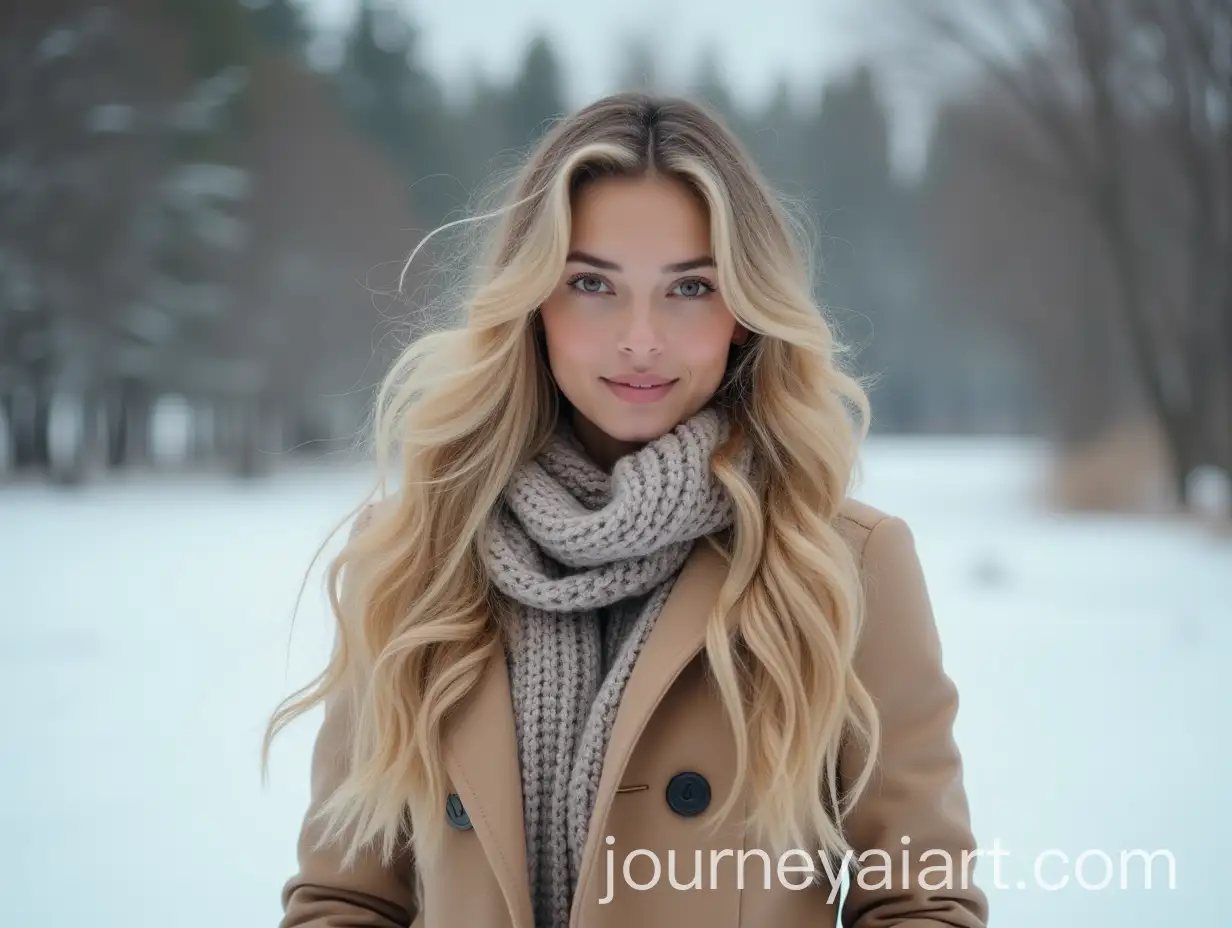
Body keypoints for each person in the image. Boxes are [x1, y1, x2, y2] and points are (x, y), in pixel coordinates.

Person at [265, 92, 989, 928]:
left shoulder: (839, 563)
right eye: (591, 283)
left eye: (688, 288)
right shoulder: (420, 552)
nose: (640, 338)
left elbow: (920, 902)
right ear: (533, 302)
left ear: (745, 316)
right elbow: (345, 899)